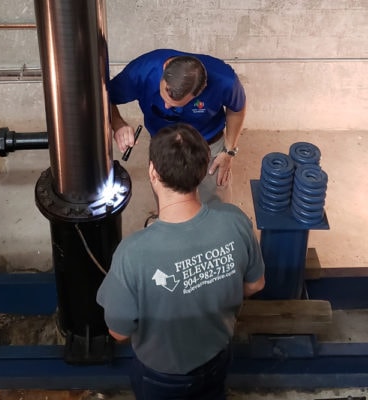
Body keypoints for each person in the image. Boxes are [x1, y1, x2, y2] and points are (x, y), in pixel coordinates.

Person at [96, 123, 265, 400]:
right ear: (203, 171)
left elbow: (118, 332)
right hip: (217, 359)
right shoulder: (236, 222)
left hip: (161, 378)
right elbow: (256, 284)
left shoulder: (132, 254)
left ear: (153, 172)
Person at [109, 49, 246, 203]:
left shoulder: (225, 79)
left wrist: (229, 151)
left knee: (217, 200)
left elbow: (237, 109)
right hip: (164, 143)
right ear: (165, 67)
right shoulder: (142, 71)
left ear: (202, 89)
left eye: (177, 104)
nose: (166, 106)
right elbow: (105, 97)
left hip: (209, 142)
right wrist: (118, 123)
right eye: (163, 96)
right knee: (170, 201)